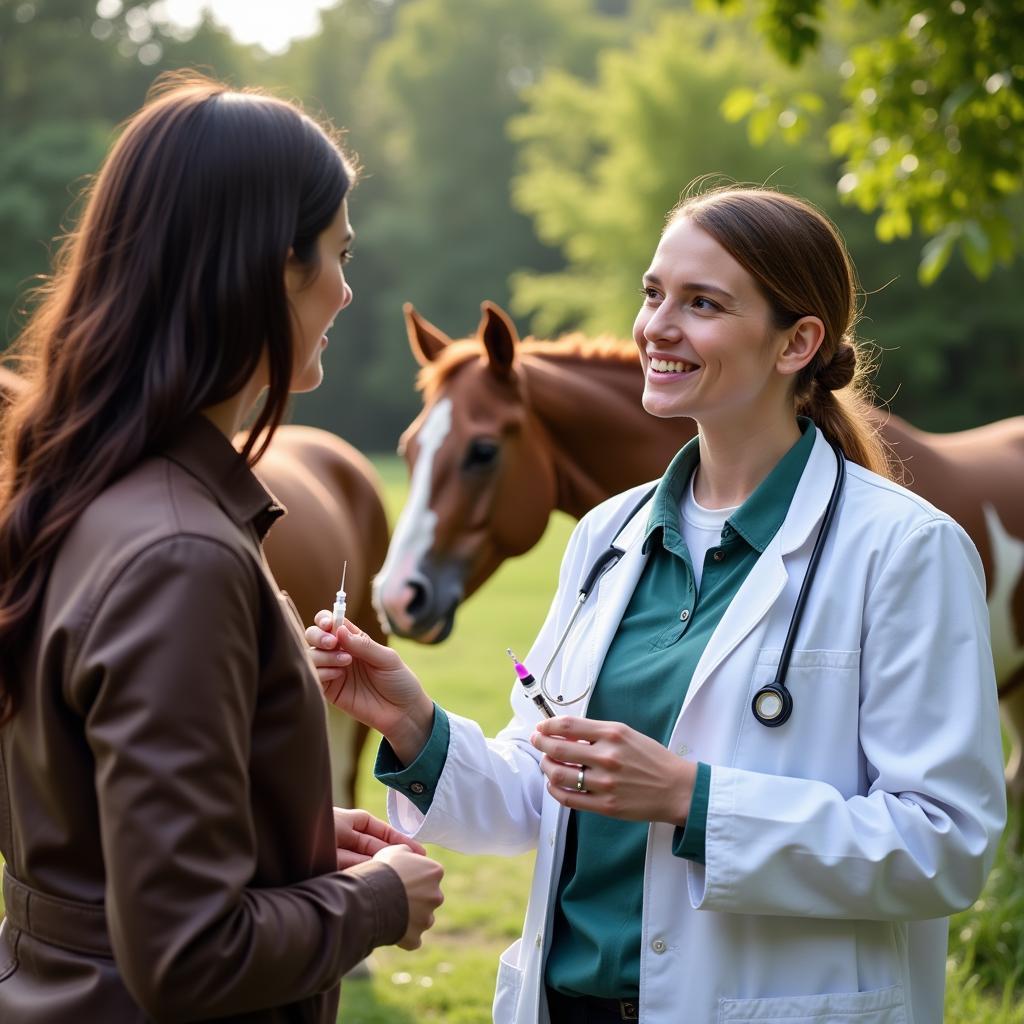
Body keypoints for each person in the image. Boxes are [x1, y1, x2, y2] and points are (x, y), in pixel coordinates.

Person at [307, 186, 1006, 1023]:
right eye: (652, 294)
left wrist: (692, 798)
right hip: (562, 1003)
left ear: (798, 343)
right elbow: (543, 787)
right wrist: (412, 721)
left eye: (702, 304)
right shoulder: (610, 534)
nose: (657, 327)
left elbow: (944, 847)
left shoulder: (903, 551)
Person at [0, 73, 444, 1023]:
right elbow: (188, 954)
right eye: (336, 253)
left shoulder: (82, 495)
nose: (347, 288)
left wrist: (279, 841)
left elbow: (88, 835)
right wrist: (378, 900)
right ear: (273, 266)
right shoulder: (179, 556)